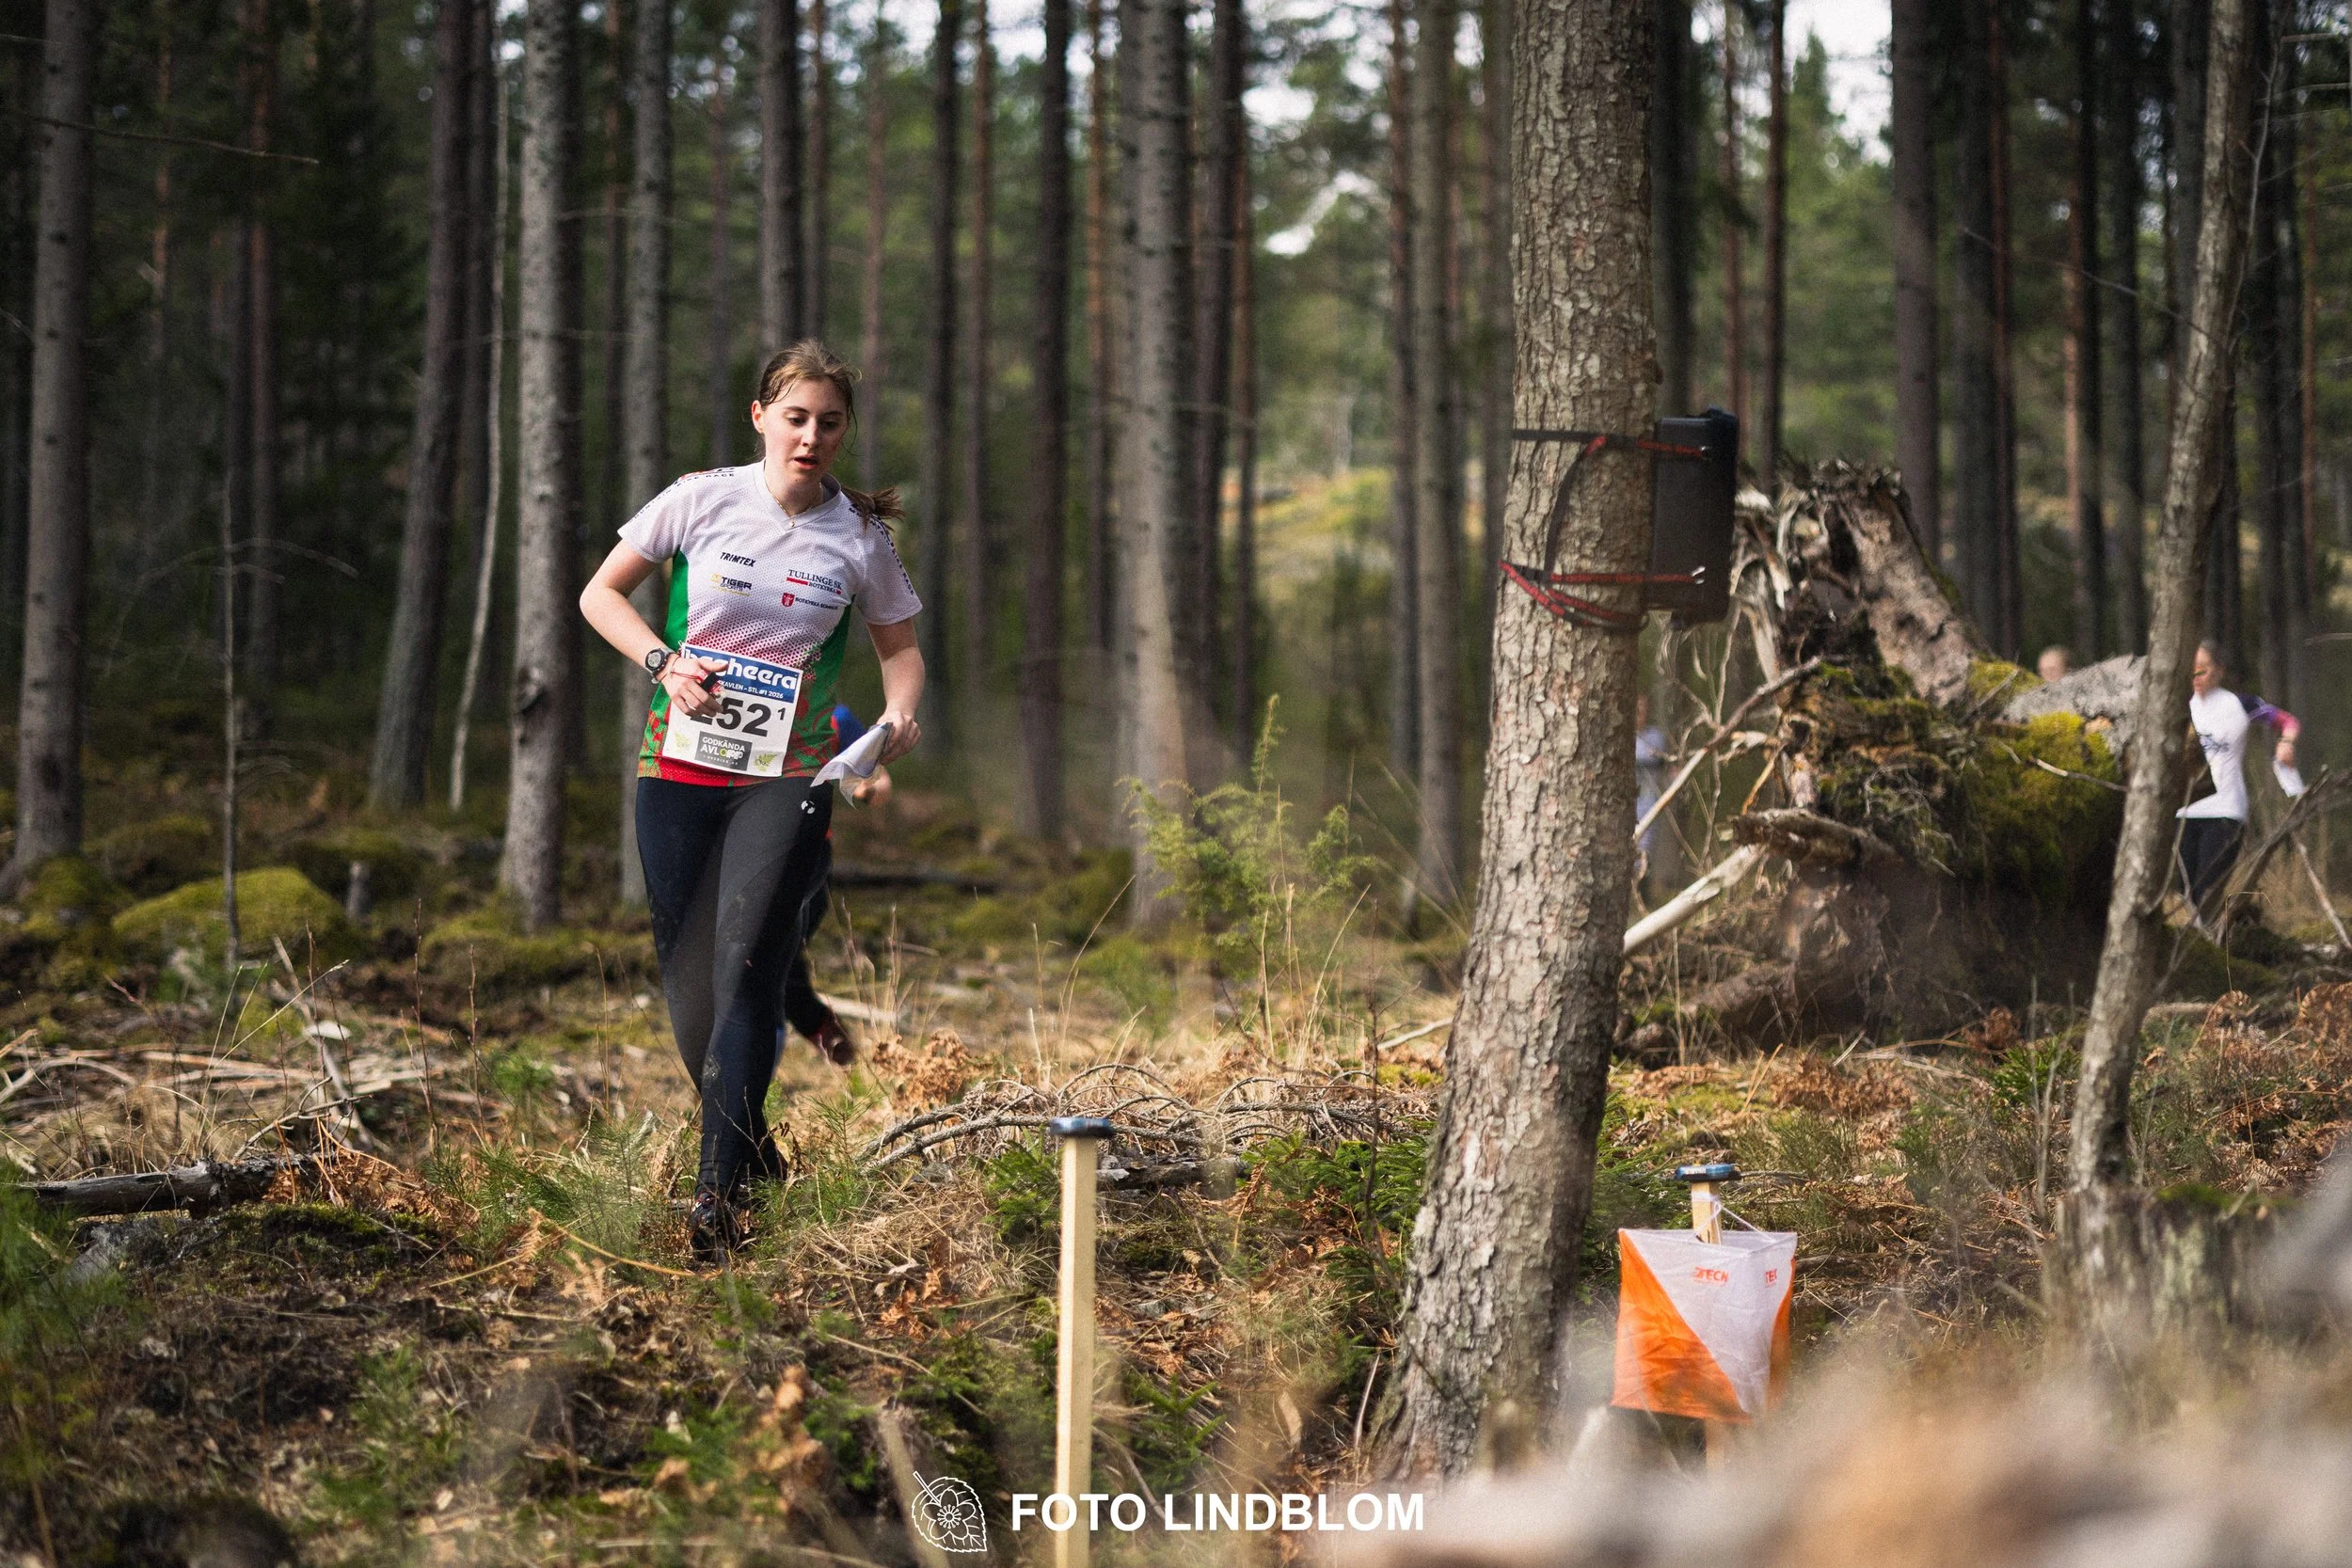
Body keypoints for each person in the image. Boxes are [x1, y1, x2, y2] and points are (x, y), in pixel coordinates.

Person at [580, 340, 923, 1259]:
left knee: (749, 974)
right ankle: (755, 1156)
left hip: (790, 775)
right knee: (691, 991)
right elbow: (600, 594)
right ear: (761, 415)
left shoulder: (859, 533)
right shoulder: (700, 498)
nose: (812, 435)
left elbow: (900, 650)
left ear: (845, 429)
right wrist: (663, 660)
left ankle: (714, 1206)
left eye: (831, 421)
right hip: (677, 767)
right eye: (797, 415)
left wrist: (896, 716)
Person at [776, 703, 891, 1067]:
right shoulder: (744, 703)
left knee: (772, 965)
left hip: (808, 861)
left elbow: (880, 782)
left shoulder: (837, 719)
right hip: (746, 856)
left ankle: (840, 1051)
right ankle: (834, 1044)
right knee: (763, 973)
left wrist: (864, 789)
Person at [2177, 641, 2302, 924]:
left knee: (2206, 886)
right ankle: (2219, 938)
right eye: (2192, 671)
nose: (2197, 678)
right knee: (2184, 890)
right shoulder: (2178, 706)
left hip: (2225, 811)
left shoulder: (2238, 704)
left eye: (2203, 670)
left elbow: (2287, 721)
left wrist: (2286, 743)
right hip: (2184, 810)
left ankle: (2214, 944)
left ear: (2219, 671)